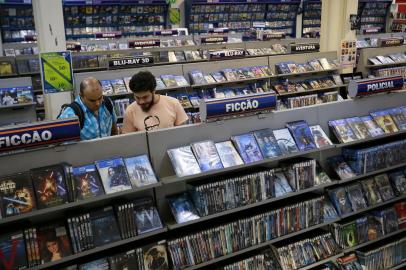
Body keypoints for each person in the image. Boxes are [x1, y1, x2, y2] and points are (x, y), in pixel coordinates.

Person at [122, 71, 188, 132]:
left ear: (154, 91)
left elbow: (183, 133)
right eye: (137, 97)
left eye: (145, 97)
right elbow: (129, 140)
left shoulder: (173, 103)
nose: (141, 101)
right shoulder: (130, 111)